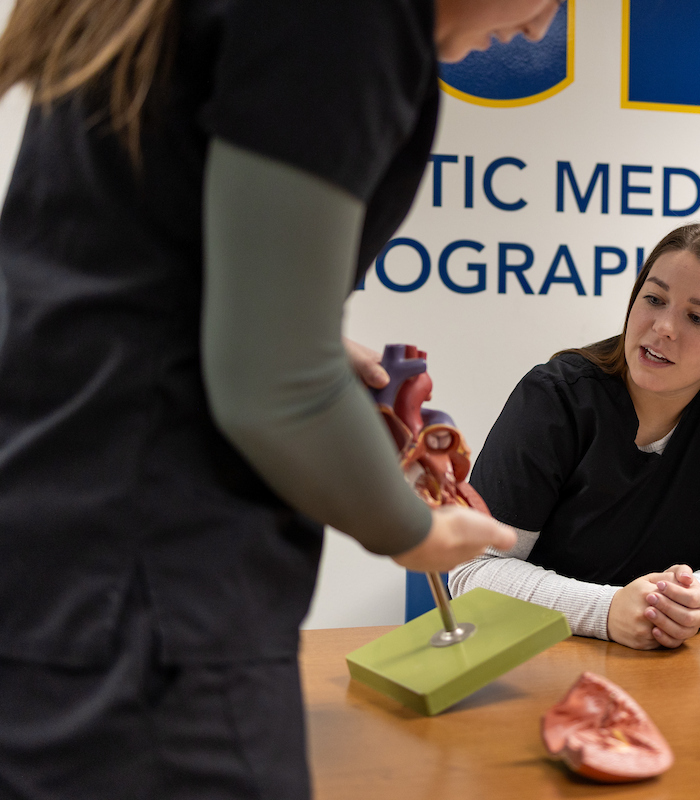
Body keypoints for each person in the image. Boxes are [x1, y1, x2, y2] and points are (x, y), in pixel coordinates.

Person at [0, 1, 561, 797]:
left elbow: (130, 272)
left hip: (65, 560)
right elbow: (277, 391)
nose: (543, 27)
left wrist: (307, 341)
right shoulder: (342, 19)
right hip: (151, 602)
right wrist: (414, 531)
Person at [451, 223, 700, 650]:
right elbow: (474, 570)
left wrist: (699, 600)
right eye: (654, 299)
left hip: (666, 664)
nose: (665, 326)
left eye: (698, 318)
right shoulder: (554, 398)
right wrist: (608, 610)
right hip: (539, 652)